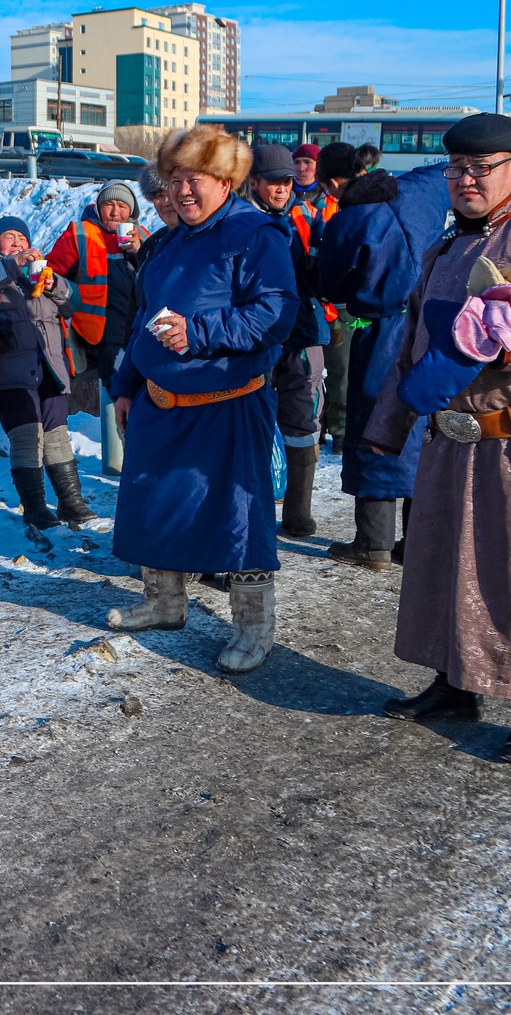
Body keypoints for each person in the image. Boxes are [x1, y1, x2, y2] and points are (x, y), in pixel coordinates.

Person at [368, 114, 511, 761]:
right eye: (457, 170)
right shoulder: (443, 250)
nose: (466, 180)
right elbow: (410, 348)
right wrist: (386, 429)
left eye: (481, 169)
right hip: (449, 444)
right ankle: (454, 684)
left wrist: (510, 342)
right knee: (441, 564)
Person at [108, 126, 297, 675]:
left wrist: (201, 332)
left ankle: (253, 627)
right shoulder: (169, 242)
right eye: (175, 180)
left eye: (195, 179)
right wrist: (126, 385)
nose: (182, 192)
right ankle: (165, 604)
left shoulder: (254, 234)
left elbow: (275, 314)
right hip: (158, 402)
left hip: (227, 403)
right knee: (150, 504)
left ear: (226, 180)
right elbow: (142, 320)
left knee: (238, 517)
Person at [311, 163, 451, 567]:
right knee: (424, 429)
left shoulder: (349, 219)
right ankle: (418, 542)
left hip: (384, 332)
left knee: (375, 424)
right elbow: (446, 166)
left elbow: (331, 284)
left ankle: (373, 544)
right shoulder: (422, 191)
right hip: (435, 325)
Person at [0, 215, 95, 530]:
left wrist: (56, 284)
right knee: (26, 436)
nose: (18, 243)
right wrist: (12, 264)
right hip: (5, 372)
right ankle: (35, 508)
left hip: (49, 366)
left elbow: (74, 302)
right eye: (9, 237)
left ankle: (71, 502)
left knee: (56, 435)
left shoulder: (41, 274)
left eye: (22, 238)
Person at [246, 144, 326, 539]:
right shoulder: (240, 220)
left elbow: (323, 269)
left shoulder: (306, 215)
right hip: (255, 338)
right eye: (273, 182)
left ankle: (297, 513)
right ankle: (254, 508)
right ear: (253, 183)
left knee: (301, 421)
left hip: (299, 334)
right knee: (252, 423)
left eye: (286, 182)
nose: (281, 189)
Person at [47, 181, 147, 477]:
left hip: (141, 331)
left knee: (147, 397)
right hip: (102, 335)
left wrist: (139, 253)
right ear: (98, 206)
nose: (115, 211)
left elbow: (157, 273)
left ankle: (141, 462)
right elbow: (51, 276)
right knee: (123, 397)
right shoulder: (79, 233)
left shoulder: (140, 235)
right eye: (109, 204)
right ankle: (134, 467)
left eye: (122, 206)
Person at [310, 142, 359, 452]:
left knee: (342, 374)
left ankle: (340, 429)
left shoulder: (347, 209)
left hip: (346, 310)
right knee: (319, 374)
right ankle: (325, 425)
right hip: (322, 307)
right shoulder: (312, 208)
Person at [137, 165, 181, 266]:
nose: (166, 202)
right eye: (159, 196)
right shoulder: (152, 243)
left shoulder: (202, 242)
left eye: (171, 193)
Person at [291, 142, 325, 207]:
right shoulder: (282, 196)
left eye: (307, 162)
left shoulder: (333, 197)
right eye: (297, 162)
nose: (301, 169)